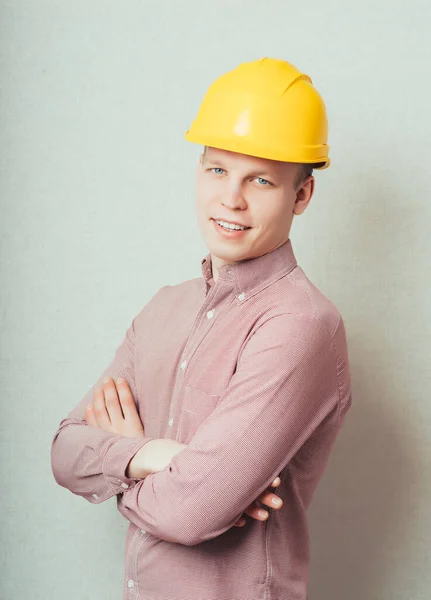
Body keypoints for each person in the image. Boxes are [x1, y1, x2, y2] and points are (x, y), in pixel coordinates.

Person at [51, 57, 352, 600]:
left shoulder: (303, 326)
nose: (230, 199)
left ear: (301, 195)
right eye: (217, 170)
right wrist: (157, 456)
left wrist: (122, 464)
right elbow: (64, 452)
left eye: (260, 180)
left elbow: (190, 512)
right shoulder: (164, 308)